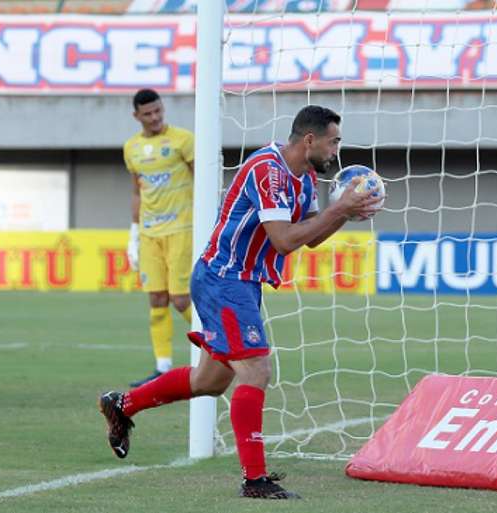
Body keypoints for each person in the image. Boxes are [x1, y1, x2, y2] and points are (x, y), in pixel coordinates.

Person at [99, 105, 380, 499]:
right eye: (334, 141)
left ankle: (122, 405)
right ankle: (255, 480)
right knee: (256, 369)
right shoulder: (267, 169)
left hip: (243, 283)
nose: (337, 150)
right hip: (224, 277)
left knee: (208, 382)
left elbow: (310, 237)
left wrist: (343, 215)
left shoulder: (305, 178)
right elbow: (283, 240)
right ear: (310, 139)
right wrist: (339, 209)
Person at [124, 88, 195, 387]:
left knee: (180, 299)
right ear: (136, 116)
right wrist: (134, 233)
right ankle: (163, 366)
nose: (154, 118)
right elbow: (137, 190)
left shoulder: (183, 140)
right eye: (148, 114)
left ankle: (222, 348)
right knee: (156, 298)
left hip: (181, 228)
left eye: (158, 111)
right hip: (150, 233)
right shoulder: (131, 148)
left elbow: (203, 178)